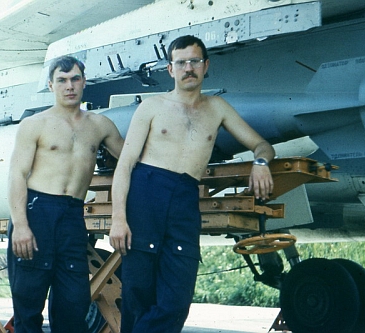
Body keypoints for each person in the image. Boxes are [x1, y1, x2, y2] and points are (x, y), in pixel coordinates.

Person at [109, 35, 275, 333]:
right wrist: (118, 219)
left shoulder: (218, 108)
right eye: (181, 62)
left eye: (194, 61)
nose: (188, 68)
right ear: (170, 69)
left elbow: (262, 145)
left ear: (205, 66)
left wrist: (260, 163)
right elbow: (125, 166)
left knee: (177, 300)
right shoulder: (151, 107)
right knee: (137, 294)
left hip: (185, 198)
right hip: (146, 195)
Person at [7, 55, 124, 333]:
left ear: (84, 82)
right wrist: (21, 225)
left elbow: (132, 161)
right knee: (28, 305)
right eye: (62, 80)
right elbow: (16, 176)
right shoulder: (35, 124)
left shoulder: (100, 125)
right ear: (51, 85)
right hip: (36, 213)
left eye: (74, 79)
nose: (69, 86)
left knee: (73, 303)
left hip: (72, 216)